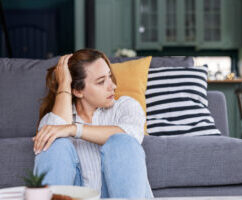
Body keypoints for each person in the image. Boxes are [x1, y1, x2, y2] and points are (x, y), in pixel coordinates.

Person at [33, 49, 154, 198]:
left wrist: (74, 129)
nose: (112, 86)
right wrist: (64, 84)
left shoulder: (126, 106)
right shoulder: (55, 118)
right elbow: (49, 142)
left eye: (110, 77)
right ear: (77, 91)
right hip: (75, 196)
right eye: (101, 81)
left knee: (121, 140)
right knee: (54, 141)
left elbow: (131, 136)